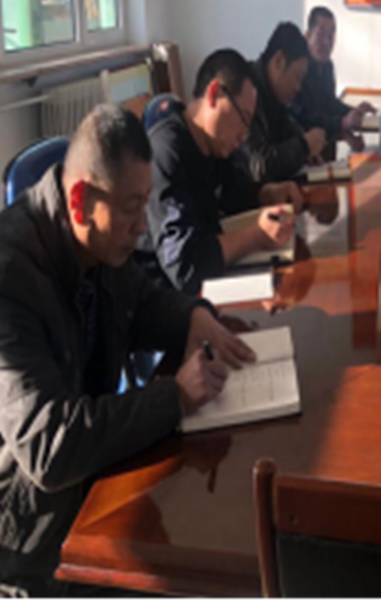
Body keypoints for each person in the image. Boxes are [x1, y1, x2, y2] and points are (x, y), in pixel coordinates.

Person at [0, 105, 255, 600]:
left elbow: (145, 302)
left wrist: (194, 314)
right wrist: (173, 397)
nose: (142, 226)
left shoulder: (98, 243)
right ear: (80, 200)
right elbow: (48, 447)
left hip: (96, 485)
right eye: (131, 208)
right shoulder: (11, 279)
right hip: (37, 545)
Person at [137, 49, 299, 294]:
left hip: (207, 285)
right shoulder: (166, 151)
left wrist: (267, 193)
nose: (244, 136)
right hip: (165, 298)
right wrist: (256, 236)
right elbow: (184, 266)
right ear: (214, 94)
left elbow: (234, 194)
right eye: (243, 119)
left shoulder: (215, 146)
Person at [247, 22, 327, 182]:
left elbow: (288, 129)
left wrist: (307, 151)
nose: (298, 87)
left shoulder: (274, 95)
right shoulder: (247, 92)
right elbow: (258, 165)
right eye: (297, 77)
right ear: (278, 61)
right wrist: (304, 147)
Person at [290, 6, 376, 153]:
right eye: (321, 34)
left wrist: (355, 112)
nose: (326, 42)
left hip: (324, 147)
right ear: (308, 35)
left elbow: (330, 104)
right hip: (300, 150)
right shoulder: (296, 69)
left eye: (331, 36)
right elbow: (302, 118)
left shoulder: (327, 66)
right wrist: (343, 123)